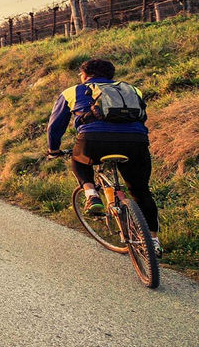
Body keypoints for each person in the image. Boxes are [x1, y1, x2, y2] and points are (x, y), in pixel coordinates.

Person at [46, 58, 160, 252]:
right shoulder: (132, 90)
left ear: (84, 75)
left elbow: (55, 126)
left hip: (93, 141)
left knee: (79, 159)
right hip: (136, 142)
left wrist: (53, 150)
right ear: (111, 75)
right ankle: (153, 242)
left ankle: (91, 194)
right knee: (141, 191)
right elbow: (142, 117)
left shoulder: (72, 92)